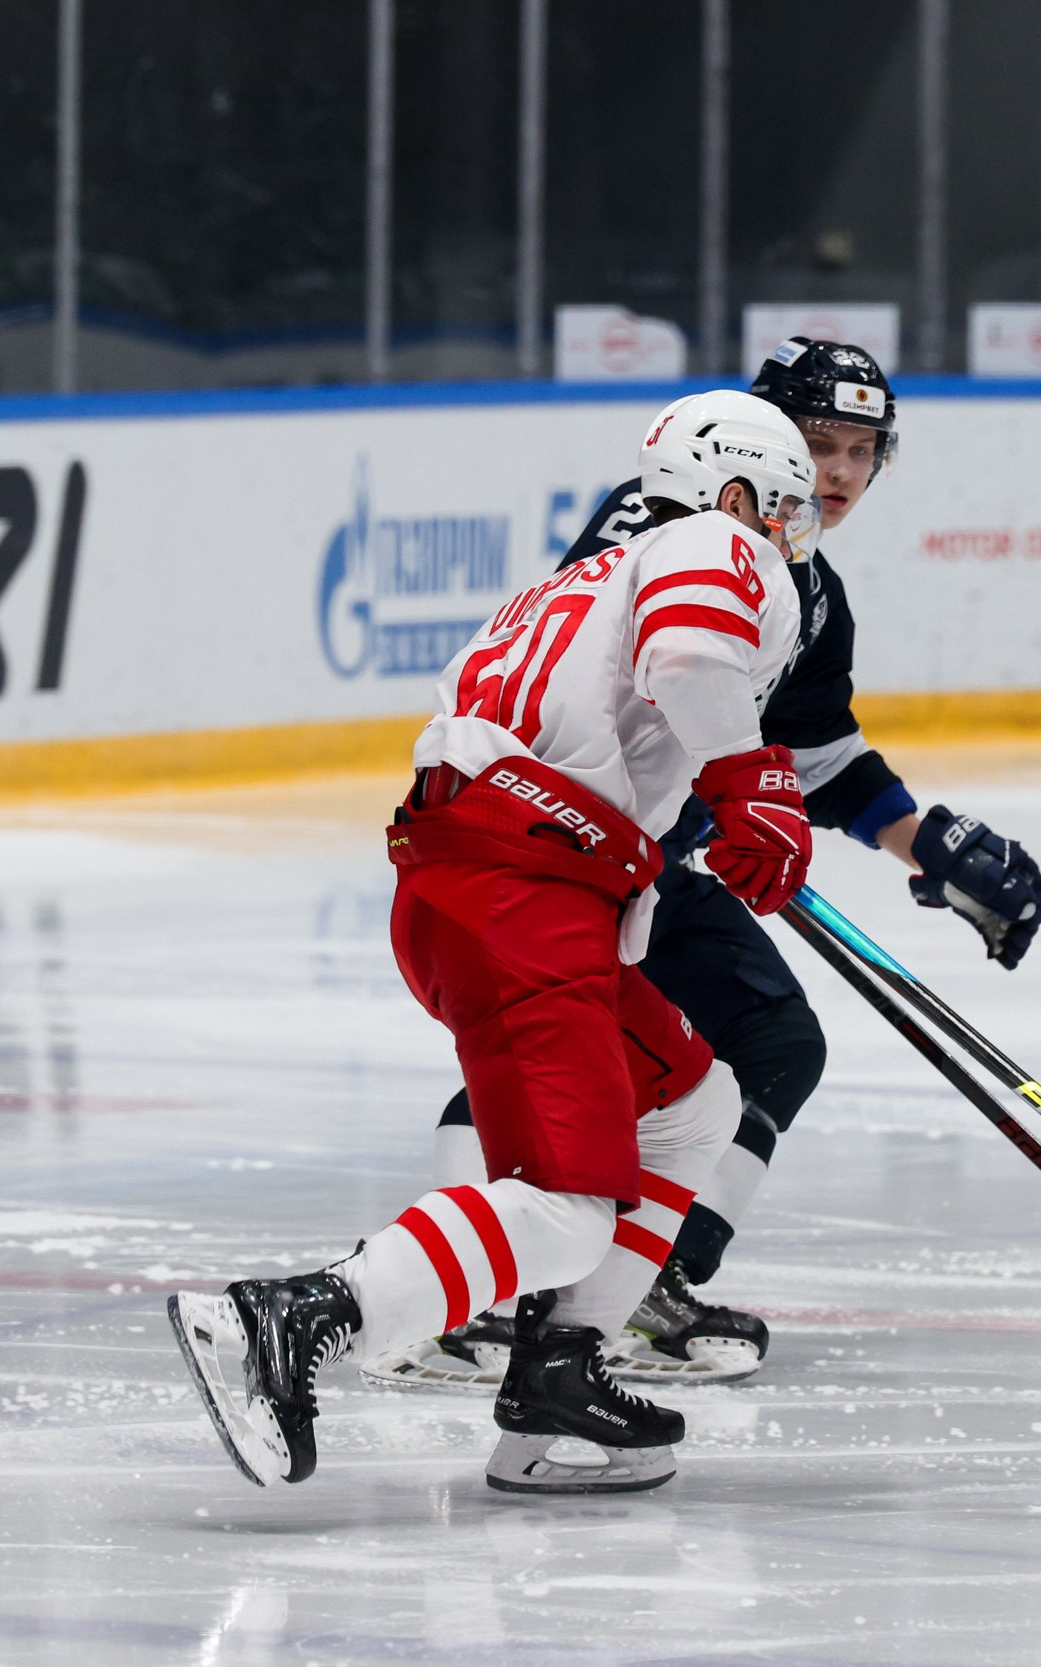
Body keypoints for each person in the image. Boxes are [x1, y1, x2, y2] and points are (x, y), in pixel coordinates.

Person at [360, 337, 1041, 1394]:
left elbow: (818, 754)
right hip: (565, 841)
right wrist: (723, 793)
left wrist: (930, 845)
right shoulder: (678, 527)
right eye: (817, 441)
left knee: (757, 1045)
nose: (836, 471)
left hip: (630, 850)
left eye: (862, 450)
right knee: (569, 1051)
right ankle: (491, 1301)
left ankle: (635, 1284)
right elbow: (652, 665)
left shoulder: (812, 592)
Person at [169, 388, 821, 1495]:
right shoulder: (714, 540)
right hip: (529, 892)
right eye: (783, 507)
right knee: (565, 1211)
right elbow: (695, 654)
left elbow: (595, 722)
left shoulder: (572, 582)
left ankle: (555, 1380)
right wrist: (750, 781)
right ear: (736, 488)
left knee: (696, 1105)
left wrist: (702, 804)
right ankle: (290, 1314)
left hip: (480, 880)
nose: (785, 533)